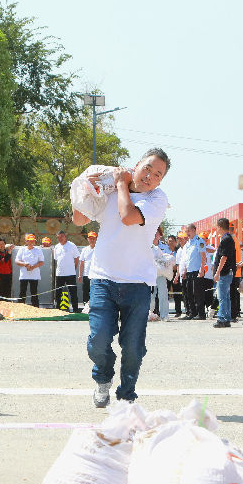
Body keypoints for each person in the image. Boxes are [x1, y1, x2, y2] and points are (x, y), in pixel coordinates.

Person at [72, 148, 170, 407]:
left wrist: (119, 184)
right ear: (137, 165)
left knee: (133, 346)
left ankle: (127, 395)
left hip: (137, 282)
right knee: (98, 340)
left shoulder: (156, 199)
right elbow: (80, 219)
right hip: (103, 278)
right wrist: (86, 188)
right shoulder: (112, 186)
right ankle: (103, 378)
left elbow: (128, 217)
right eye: (148, 168)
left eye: (158, 174)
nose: (150, 176)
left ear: (160, 182)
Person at [179, 224, 207, 320]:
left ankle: (201, 314)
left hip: (197, 271)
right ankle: (192, 313)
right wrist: (184, 271)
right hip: (189, 271)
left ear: (194, 230)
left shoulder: (199, 241)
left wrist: (202, 269)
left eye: (189, 231)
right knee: (189, 293)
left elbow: (203, 256)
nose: (187, 233)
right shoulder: (187, 244)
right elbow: (187, 259)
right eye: (186, 231)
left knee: (198, 293)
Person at [212, 218, 237, 328]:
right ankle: (226, 318)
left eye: (217, 227)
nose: (216, 229)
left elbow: (224, 257)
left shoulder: (226, 239)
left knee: (222, 297)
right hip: (227, 272)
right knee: (226, 296)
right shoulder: (228, 239)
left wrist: (217, 272)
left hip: (224, 272)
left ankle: (221, 318)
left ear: (220, 227)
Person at [52, 230, 80, 312]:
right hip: (59, 274)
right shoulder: (56, 247)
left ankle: (75, 309)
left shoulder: (72, 245)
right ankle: (58, 310)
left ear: (65, 236)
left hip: (70, 273)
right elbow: (56, 259)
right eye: (58, 237)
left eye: (61, 237)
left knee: (73, 292)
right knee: (58, 292)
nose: (60, 239)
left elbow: (77, 258)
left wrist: (73, 268)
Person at [15, 234, 44, 307]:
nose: (32, 242)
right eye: (30, 241)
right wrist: (25, 264)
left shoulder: (38, 250)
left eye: (33, 241)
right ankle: (20, 308)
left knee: (34, 292)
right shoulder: (22, 250)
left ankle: (36, 308)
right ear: (26, 241)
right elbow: (17, 261)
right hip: (24, 275)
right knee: (22, 292)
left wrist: (33, 266)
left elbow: (42, 262)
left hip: (34, 275)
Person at [77, 232, 97, 306]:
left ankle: (94, 306)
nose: (92, 240)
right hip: (86, 274)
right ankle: (85, 305)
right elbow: (82, 263)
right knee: (86, 290)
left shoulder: (99, 249)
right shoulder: (85, 249)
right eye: (90, 238)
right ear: (88, 239)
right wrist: (80, 275)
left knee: (95, 291)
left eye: (93, 238)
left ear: (96, 239)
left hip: (96, 275)